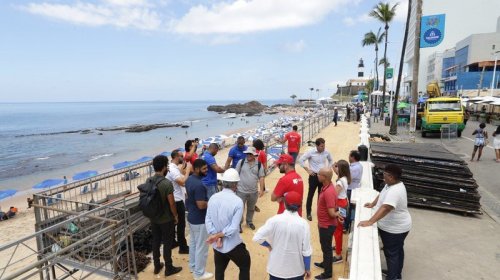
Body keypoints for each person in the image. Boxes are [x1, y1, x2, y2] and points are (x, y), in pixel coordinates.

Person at [358, 164, 412, 280]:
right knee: (397, 250)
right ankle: (396, 273)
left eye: (385, 175)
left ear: (391, 177)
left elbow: (386, 208)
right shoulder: (390, 185)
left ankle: (393, 277)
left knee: (391, 253)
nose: (383, 177)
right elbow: (381, 194)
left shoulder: (395, 191)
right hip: (397, 227)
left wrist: (370, 221)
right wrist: (373, 204)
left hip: (395, 229)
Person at [253, 191, 312, 280]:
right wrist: (307, 269)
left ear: (285, 204)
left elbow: (257, 237)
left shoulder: (274, 220)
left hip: (276, 270)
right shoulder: (304, 224)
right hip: (296, 271)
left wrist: (268, 245)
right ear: (300, 206)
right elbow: (306, 251)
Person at [205, 168, 251, 280]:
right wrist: (218, 236)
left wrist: (215, 235)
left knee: (219, 271)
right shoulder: (237, 201)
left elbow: (208, 219)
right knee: (245, 265)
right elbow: (233, 228)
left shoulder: (213, 197)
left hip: (217, 245)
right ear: (236, 184)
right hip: (232, 244)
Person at [149, 155, 182, 277]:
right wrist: (175, 216)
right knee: (167, 243)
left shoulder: (149, 180)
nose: (167, 168)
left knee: (156, 241)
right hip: (166, 219)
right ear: (164, 167)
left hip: (154, 218)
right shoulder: (166, 183)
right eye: (167, 166)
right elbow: (172, 202)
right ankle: (169, 267)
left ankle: (157, 265)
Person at [185, 159, 213, 280]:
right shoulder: (200, 185)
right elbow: (201, 205)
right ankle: (199, 273)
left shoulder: (189, 179)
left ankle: (193, 266)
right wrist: (211, 202)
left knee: (193, 244)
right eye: (204, 169)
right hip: (200, 220)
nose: (207, 170)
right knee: (202, 247)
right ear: (196, 169)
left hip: (191, 217)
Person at [314, 168, 342, 280]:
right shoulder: (326, 187)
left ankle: (327, 273)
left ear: (324, 177)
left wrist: (337, 214)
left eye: (319, 174)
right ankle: (325, 264)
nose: (317, 175)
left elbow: (331, 212)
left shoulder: (329, 192)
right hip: (324, 224)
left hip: (327, 225)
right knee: (325, 247)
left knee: (326, 249)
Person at [298, 138, 334, 221]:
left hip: (323, 177)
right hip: (314, 176)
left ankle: (319, 211)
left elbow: (331, 160)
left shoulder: (326, 152)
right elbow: (301, 160)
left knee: (321, 195)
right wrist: (307, 170)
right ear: (317, 146)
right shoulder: (311, 152)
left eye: (324, 146)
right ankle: (308, 212)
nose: (323, 147)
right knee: (311, 195)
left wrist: (328, 169)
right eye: (321, 146)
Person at [166, 149, 191, 254]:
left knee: (174, 224)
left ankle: (173, 243)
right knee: (181, 224)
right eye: (181, 156)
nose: (183, 157)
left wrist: (183, 170)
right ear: (176, 157)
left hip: (177, 198)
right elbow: (181, 182)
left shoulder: (174, 168)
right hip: (176, 200)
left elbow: (180, 179)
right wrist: (189, 170)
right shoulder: (172, 169)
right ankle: (183, 247)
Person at [235, 147, 266, 231]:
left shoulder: (259, 164)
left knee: (251, 208)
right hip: (241, 191)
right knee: (240, 209)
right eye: (247, 154)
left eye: (250, 154)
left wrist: (262, 190)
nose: (248, 155)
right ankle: (239, 224)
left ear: (254, 155)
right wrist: (234, 187)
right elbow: (235, 174)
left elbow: (261, 177)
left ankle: (249, 222)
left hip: (254, 191)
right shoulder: (240, 162)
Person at [331, 160, 351, 264]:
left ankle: (338, 256)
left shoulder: (339, 182)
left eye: (337, 167)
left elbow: (334, 195)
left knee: (337, 230)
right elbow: (336, 172)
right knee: (339, 228)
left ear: (341, 169)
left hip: (339, 205)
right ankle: (338, 248)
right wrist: (334, 166)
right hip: (343, 204)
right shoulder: (345, 178)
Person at [344, 150, 363, 232]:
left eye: (349, 155)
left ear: (353, 157)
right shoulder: (359, 165)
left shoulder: (353, 168)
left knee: (348, 208)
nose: (348, 157)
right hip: (354, 189)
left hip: (350, 190)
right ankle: (347, 225)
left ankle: (345, 226)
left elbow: (347, 179)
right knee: (351, 208)